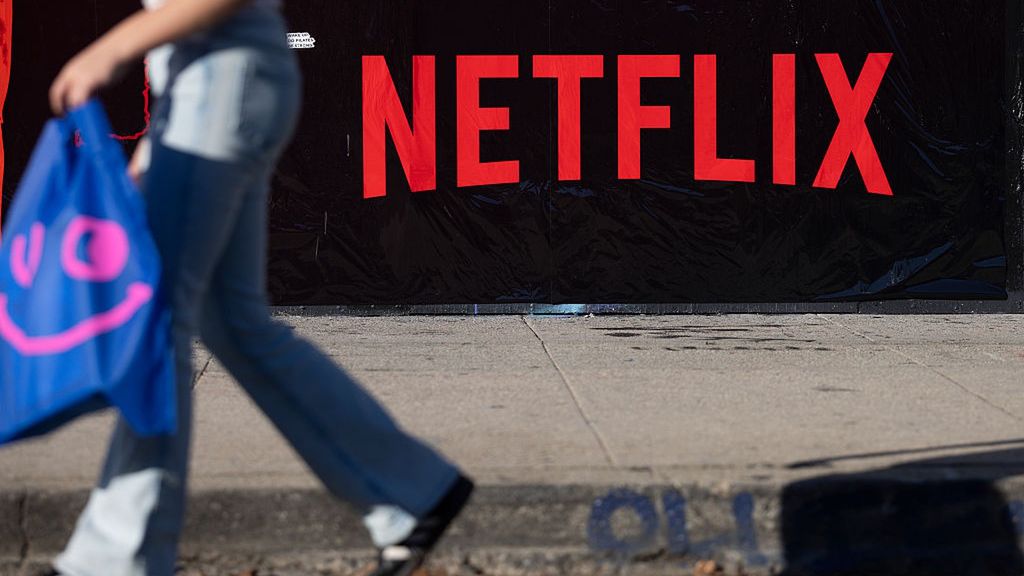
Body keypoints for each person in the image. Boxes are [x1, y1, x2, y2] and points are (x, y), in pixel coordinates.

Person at [47, 1, 473, 575]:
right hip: (210, 87)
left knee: (161, 323)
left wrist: (110, 50)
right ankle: (411, 490)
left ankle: (116, 559)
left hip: (217, 86)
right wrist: (154, 144)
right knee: (233, 325)